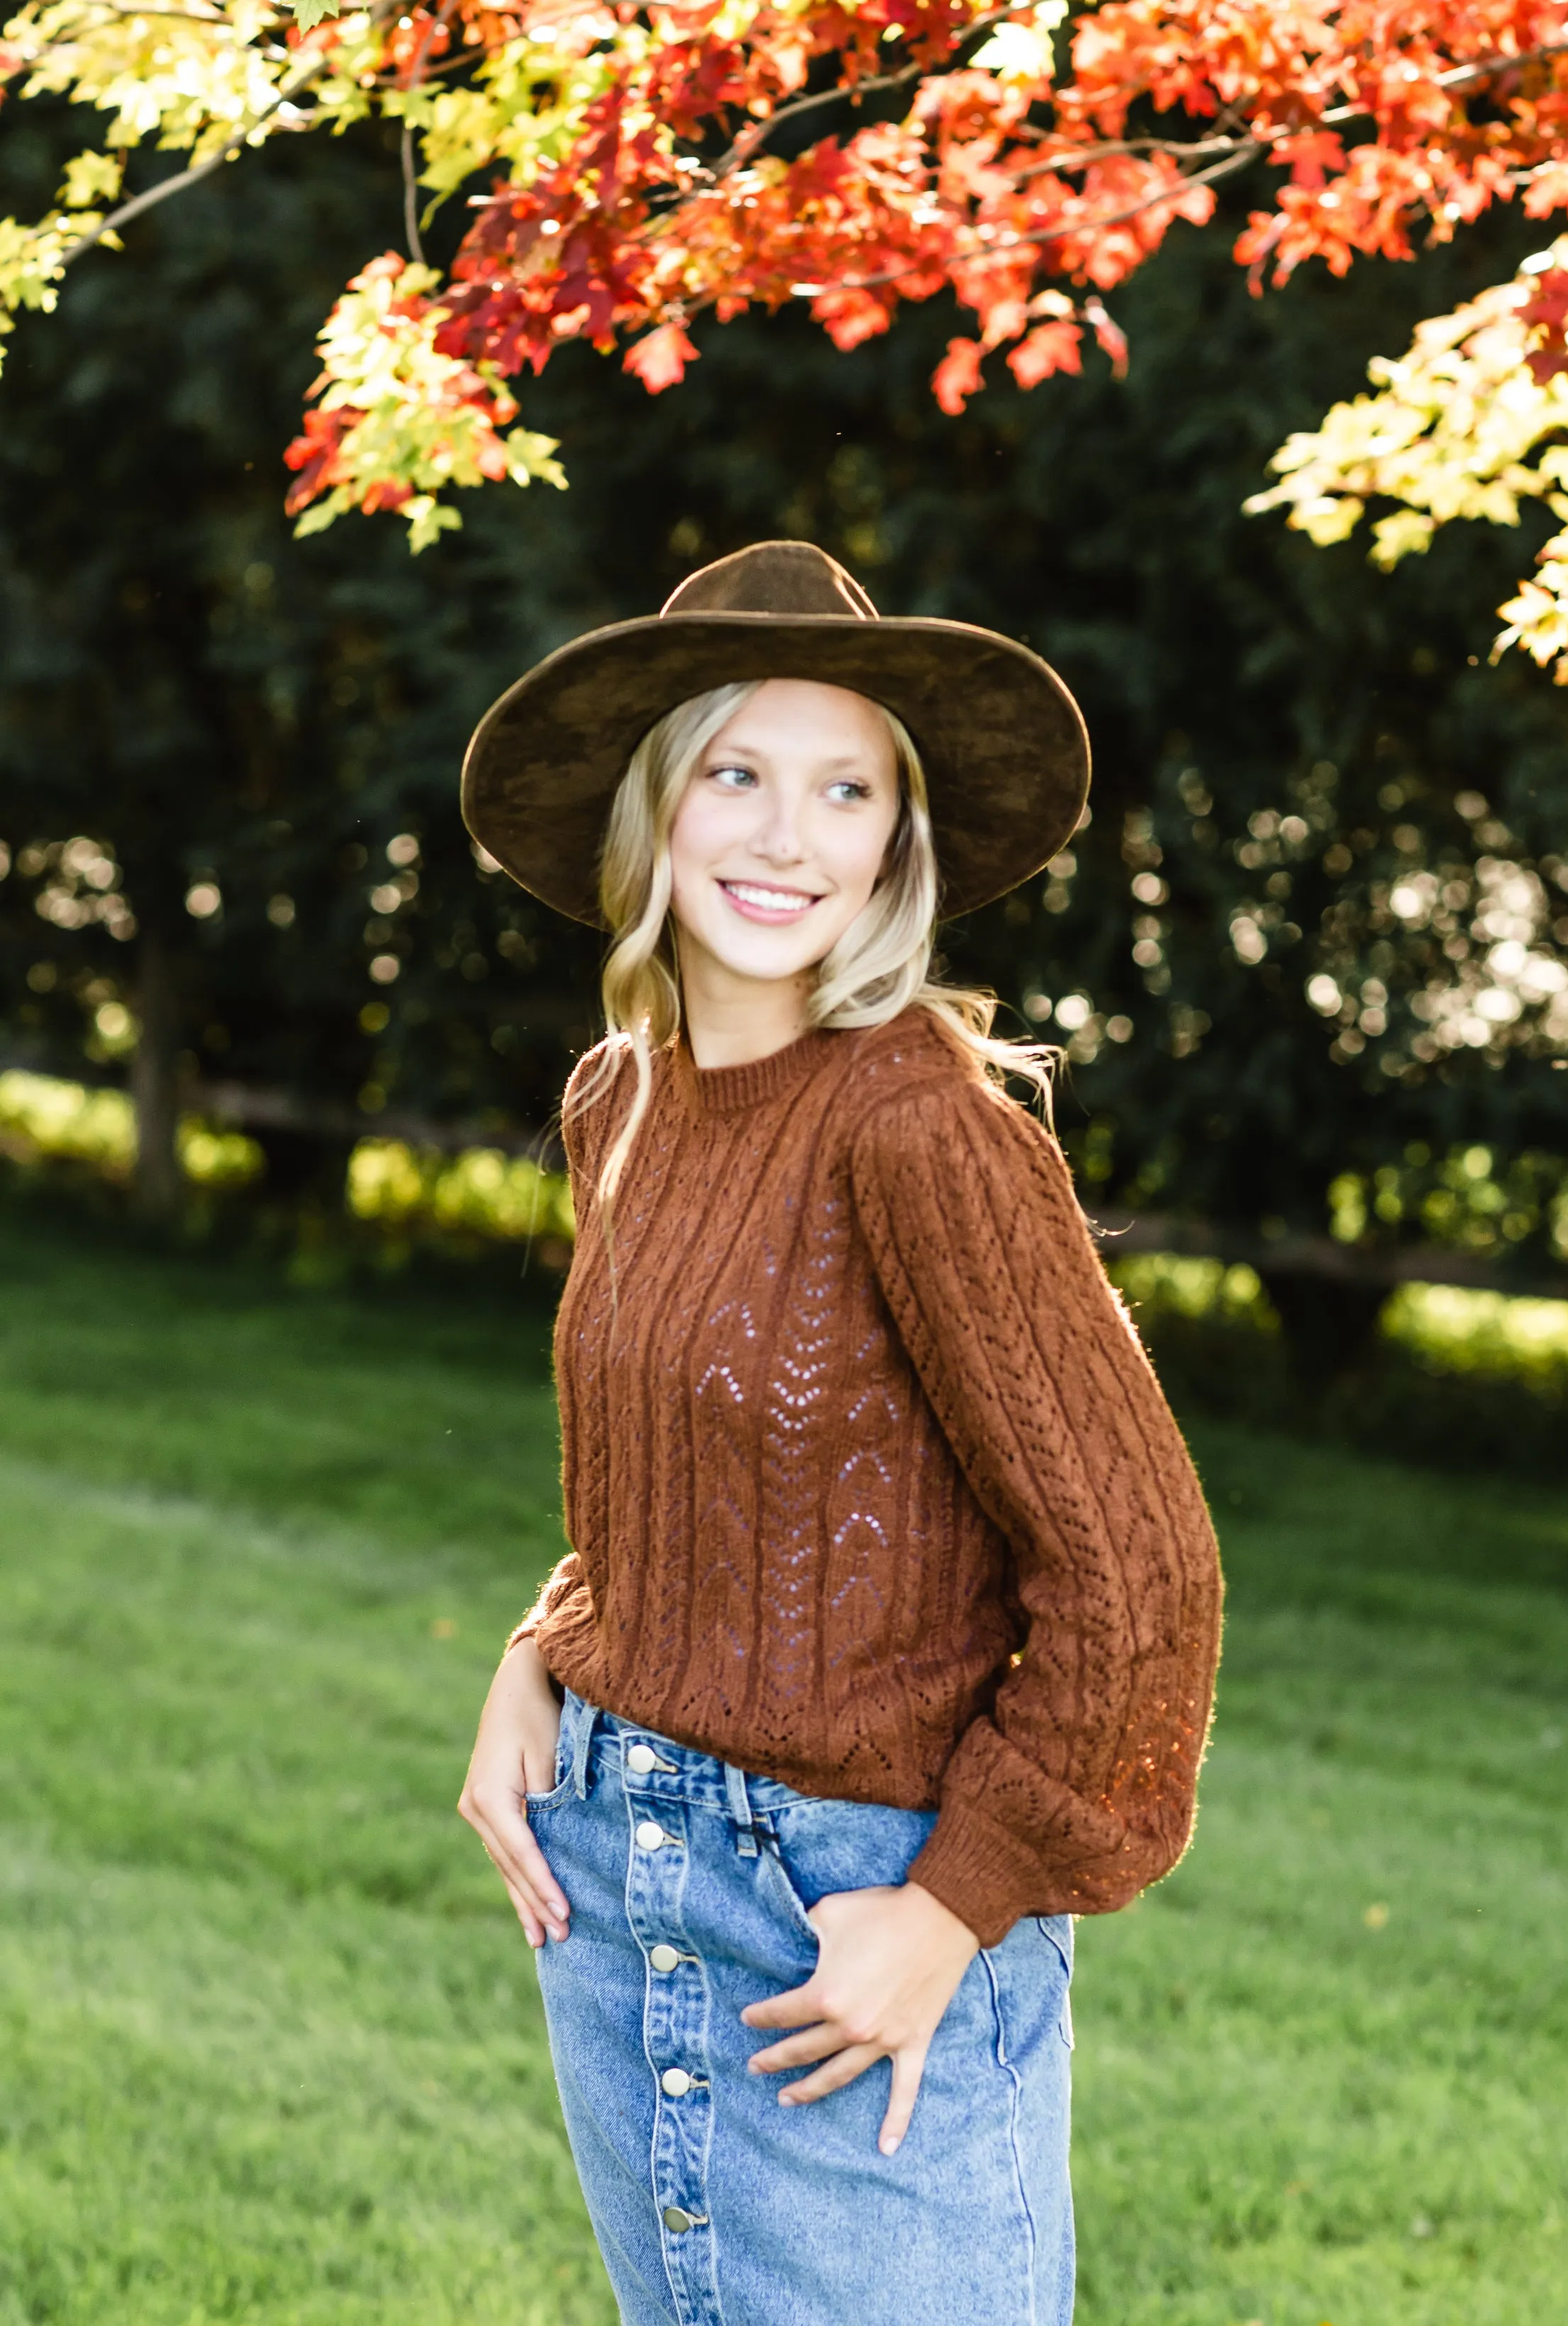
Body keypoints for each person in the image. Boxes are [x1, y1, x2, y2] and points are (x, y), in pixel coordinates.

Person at [457, 541, 1223, 2326]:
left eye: (843, 788)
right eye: (734, 769)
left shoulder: (923, 1133)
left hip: (848, 1919)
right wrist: (545, 1651)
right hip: (619, 1874)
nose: (783, 835)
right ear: (655, 810)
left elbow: (1142, 1576)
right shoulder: (622, 1097)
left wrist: (955, 1906)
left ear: (896, 843)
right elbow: (681, 1484)